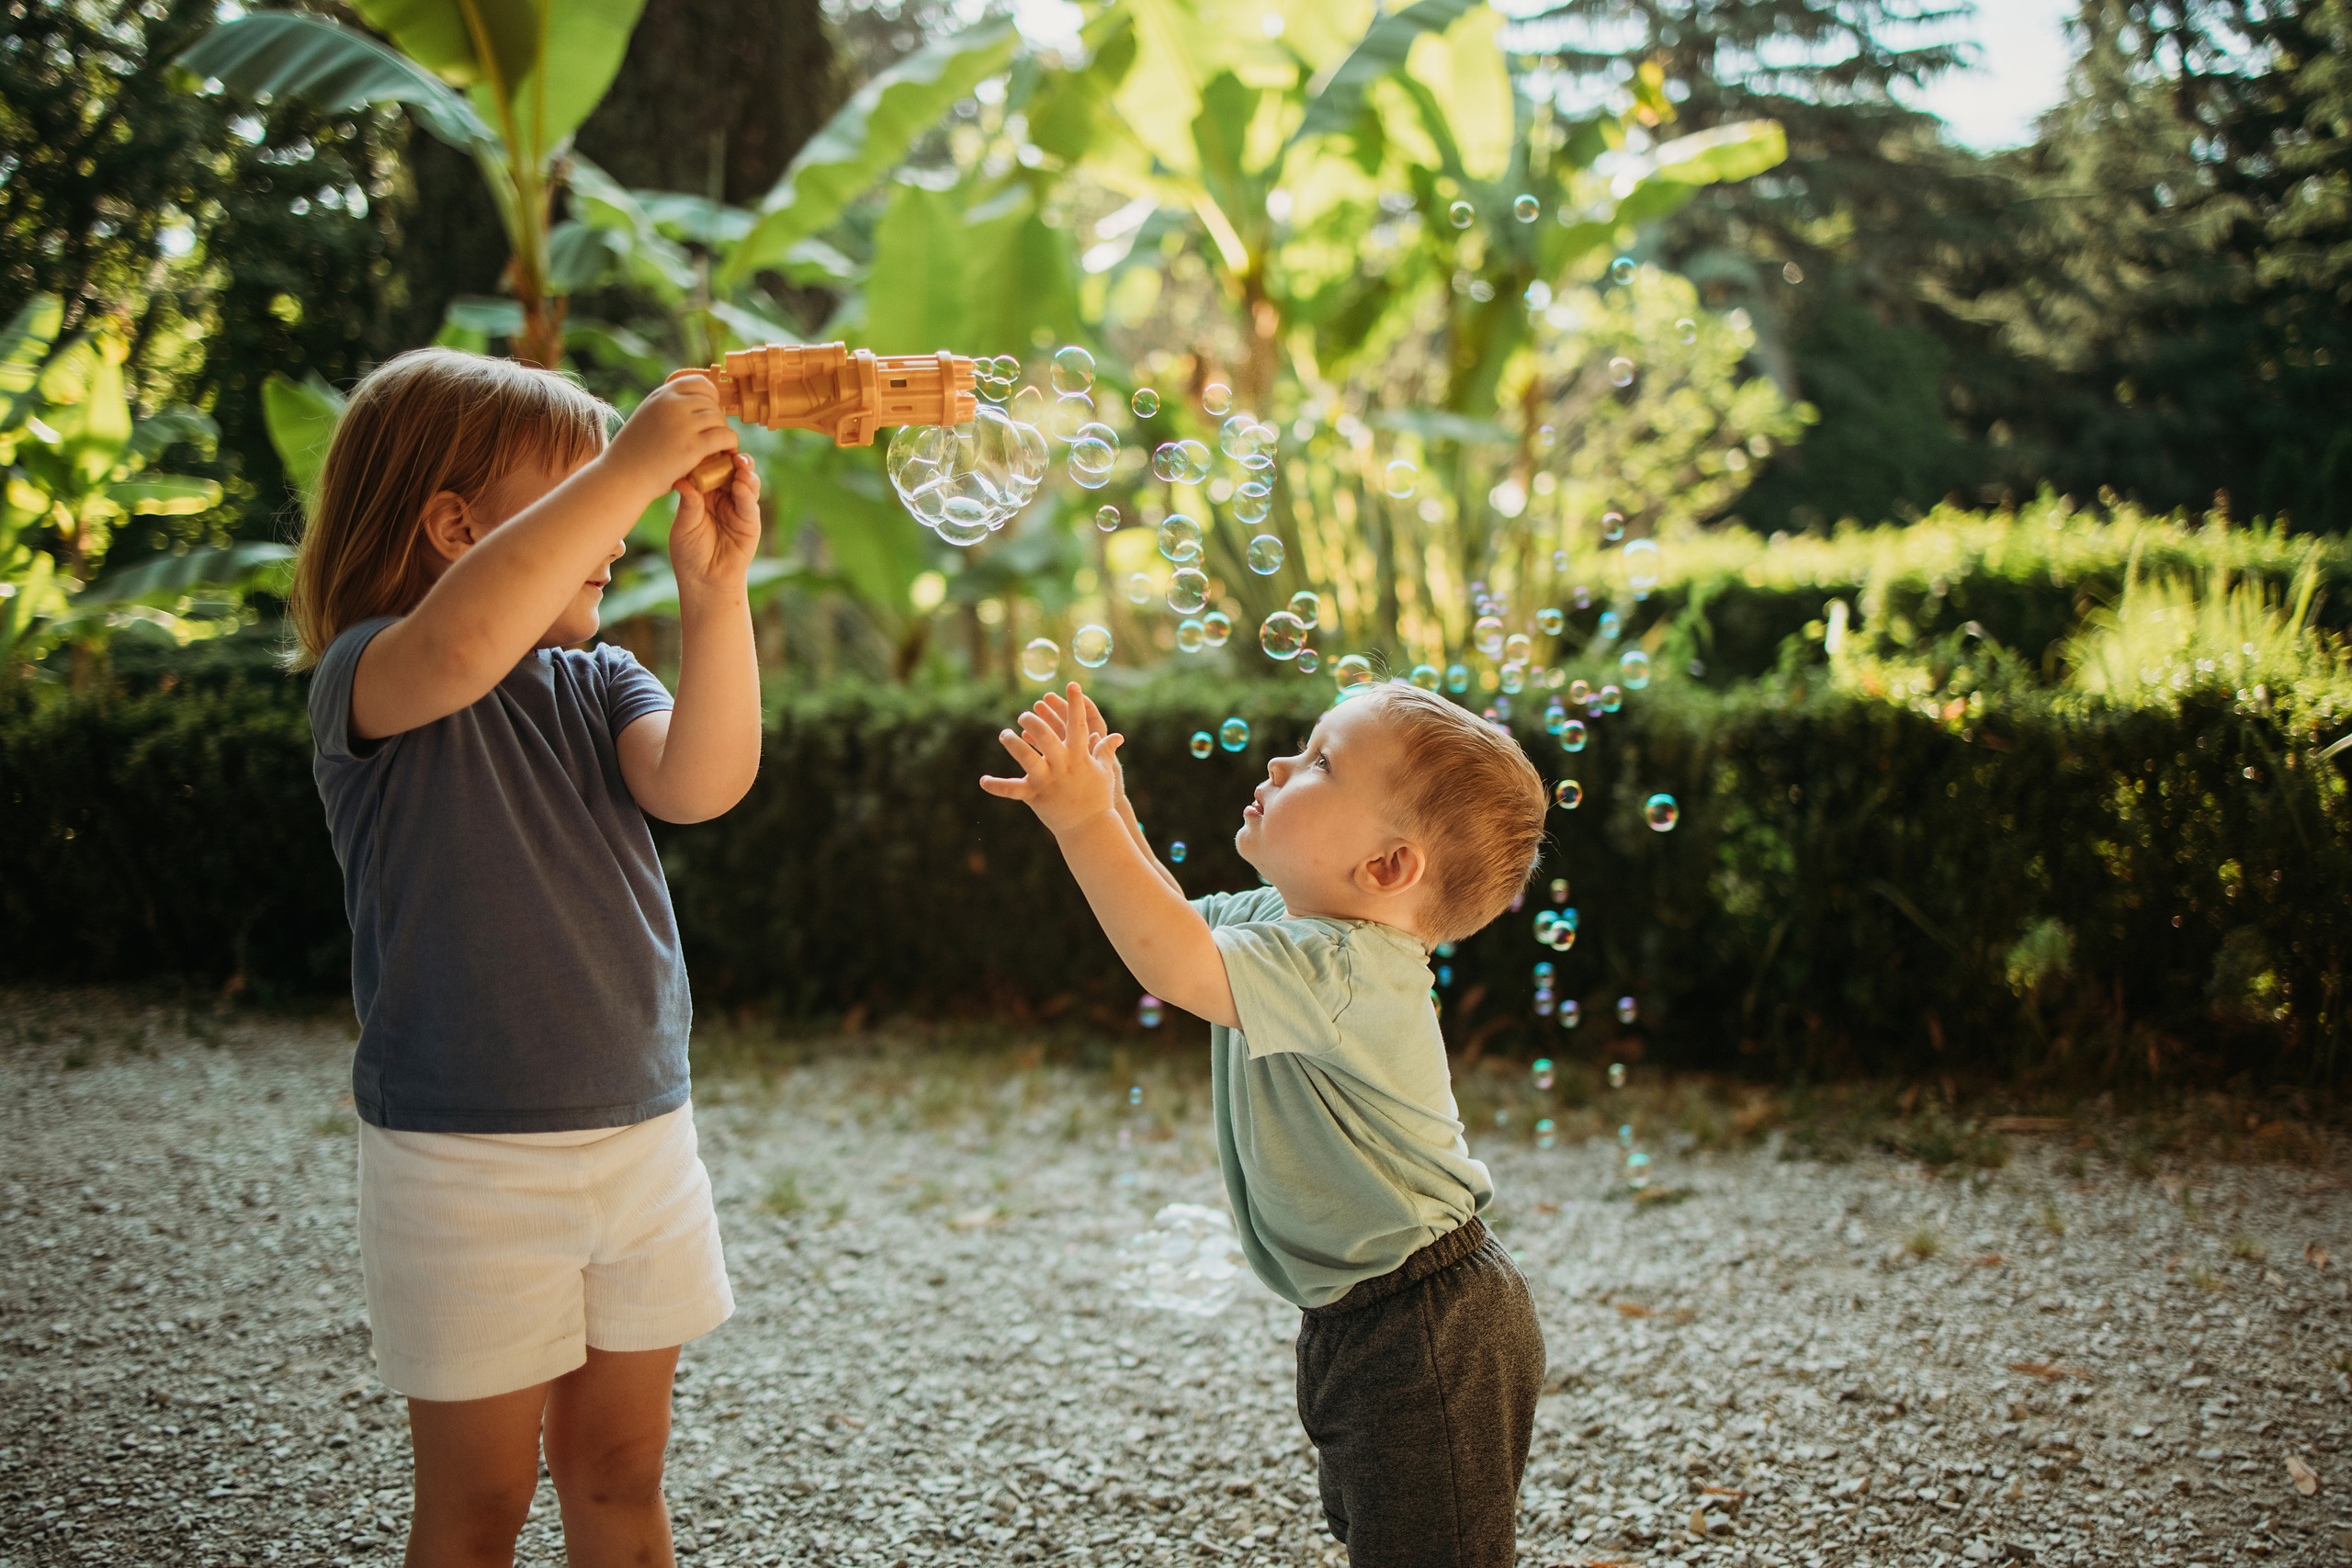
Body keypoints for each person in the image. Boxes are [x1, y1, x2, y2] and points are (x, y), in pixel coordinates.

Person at [287, 348, 761, 1568]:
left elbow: (702, 781)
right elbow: (458, 650)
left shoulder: (599, 679)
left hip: (642, 1137)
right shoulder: (373, 671)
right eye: (581, 493)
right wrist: (638, 458)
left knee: (619, 1470)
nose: (614, 520)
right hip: (461, 1162)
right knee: (480, 1499)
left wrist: (714, 596)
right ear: (454, 526)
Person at [981, 680, 1551, 1567]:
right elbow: (1166, 925)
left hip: (1431, 1319)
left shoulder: (1347, 968)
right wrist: (1115, 811)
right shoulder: (1286, 926)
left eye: (1321, 761)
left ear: (1388, 867)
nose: (1283, 762)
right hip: (1366, 1312)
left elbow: (1170, 958)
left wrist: (1083, 821)